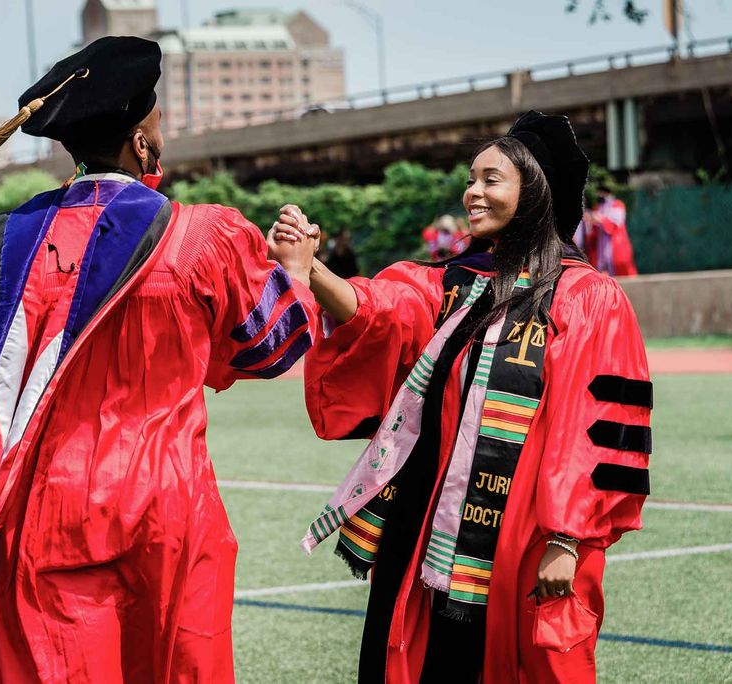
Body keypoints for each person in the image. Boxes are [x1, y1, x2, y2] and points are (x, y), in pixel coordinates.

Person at [0, 36, 318, 682]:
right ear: (142, 144)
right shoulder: (204, 236)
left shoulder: (4, 240)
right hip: (167, 519)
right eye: (156, 123)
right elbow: (272, 346)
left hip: (34, 523)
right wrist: (294, 270)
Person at [272, 111, 652, 683]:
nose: (472, 192)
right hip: (426, 531)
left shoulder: (586, 297)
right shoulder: (457, 283)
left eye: (490, 179)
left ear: (534, 193)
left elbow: (591, 427)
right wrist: (306, 267)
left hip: (524, 535)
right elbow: (381, 311)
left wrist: (568, 538)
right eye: (471, 179)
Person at [577, 183, 637, 276]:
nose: (600, 194)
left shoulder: (617, 205)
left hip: (614, 245)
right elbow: (592, 228)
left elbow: (615, 223)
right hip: (600, 248)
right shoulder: (597, 207)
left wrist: (599, 219)